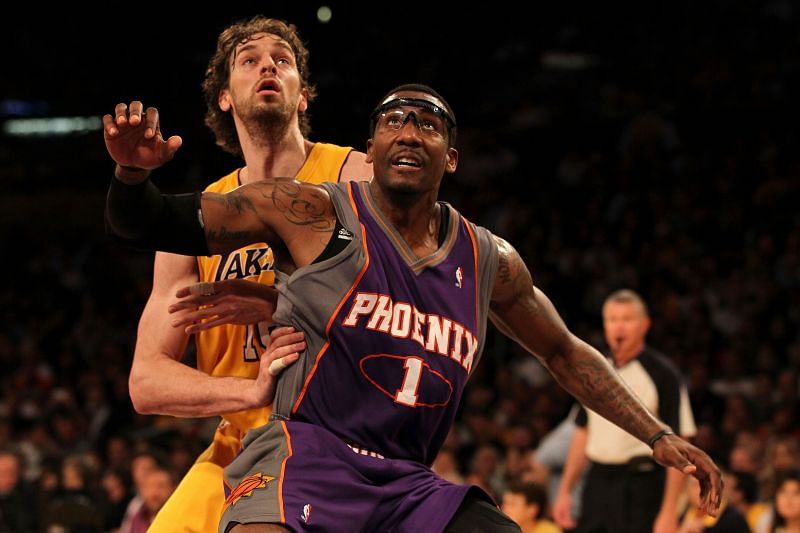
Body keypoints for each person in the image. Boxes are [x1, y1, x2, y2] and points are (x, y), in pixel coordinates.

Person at [104, 83, 723, 532]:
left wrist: (656, 433)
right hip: (306, 454)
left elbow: (562, 350)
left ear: (449, 157)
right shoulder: (314, 212)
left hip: (404, 482)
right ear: (370, 149)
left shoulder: (488, 259)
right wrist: (133, 176)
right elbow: (149, 223)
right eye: (392, 120)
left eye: (426, 123)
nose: (407, 130)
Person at [103, 16, 372, 532]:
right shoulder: (203, 221)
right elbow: (146, 381)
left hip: (343, 436)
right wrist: (248, 394)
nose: (267, 64)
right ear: (225, 97)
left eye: (283, 60)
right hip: (243, 443)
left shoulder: (354, 177)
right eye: (249, 60)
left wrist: (281, 304)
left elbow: (402, 304)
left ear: (303, 95)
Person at [553, 289, 697, 533]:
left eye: (627, 320)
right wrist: (565, 490)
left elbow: (681, 441)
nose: (619, 327)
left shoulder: (663, 374)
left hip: (641, 484)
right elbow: (583, 433)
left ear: (645, 325)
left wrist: (669, 511)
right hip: (597, 480)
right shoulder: (593, 370)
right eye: (612, 319)